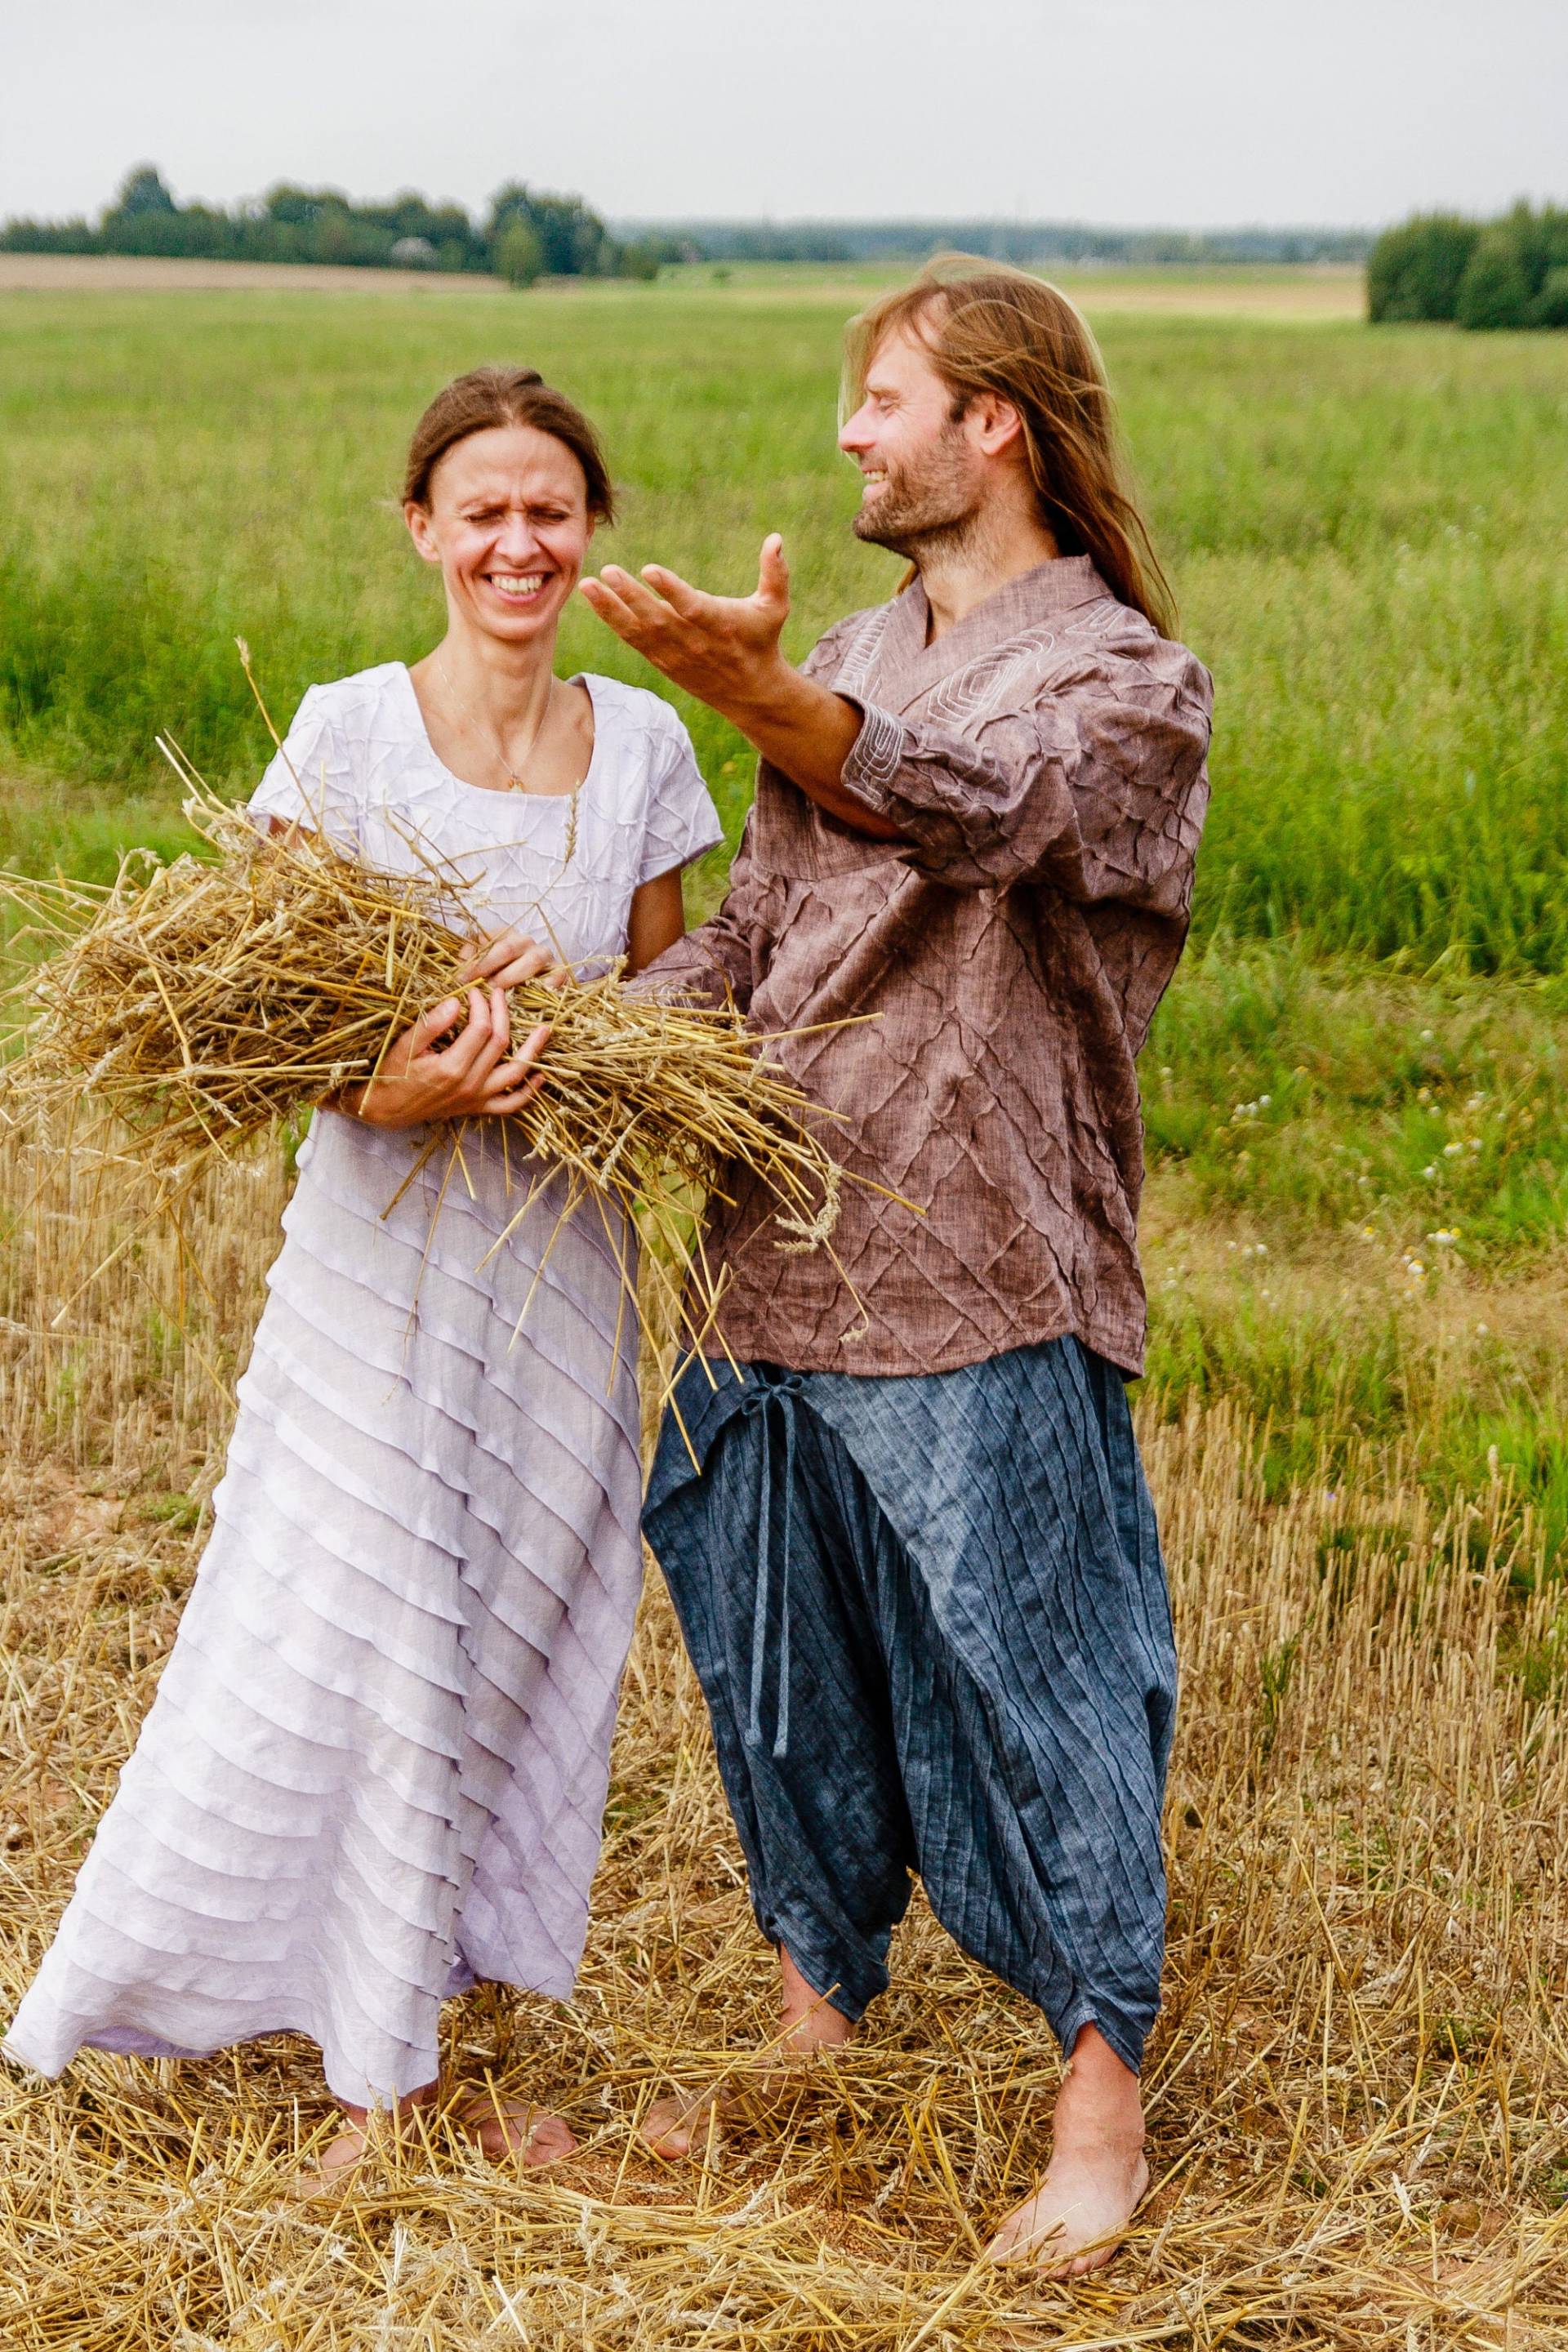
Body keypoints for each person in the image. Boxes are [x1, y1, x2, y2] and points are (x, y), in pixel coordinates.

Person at [4, 366, 723, 2185]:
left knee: (512, 1629)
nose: (517, 541)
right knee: (371, 1622)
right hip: (381, 1258)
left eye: (549, 509)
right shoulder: (336, 736)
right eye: (480, 509)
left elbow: (687, 1013)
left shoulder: (643, 751)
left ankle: (416, 2009)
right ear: (422, 528)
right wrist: (390, 1084)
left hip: (558, 1264)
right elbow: (236, 1029)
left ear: (591, 530)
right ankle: (373, 2094)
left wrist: (585, 1039)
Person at [580, 261, 1211, 2279]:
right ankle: (814, 2016)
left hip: (977, 1253)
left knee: (1037, 1670)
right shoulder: (853, 645)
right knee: (774, 1655)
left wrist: (763, 697)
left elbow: (977, 814)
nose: (851, 433)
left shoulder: (1121, 684)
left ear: (994, 423)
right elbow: (762, 932)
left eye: (882, 400)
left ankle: (1099, 2090)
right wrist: (577, 1032)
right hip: (772, 1249)